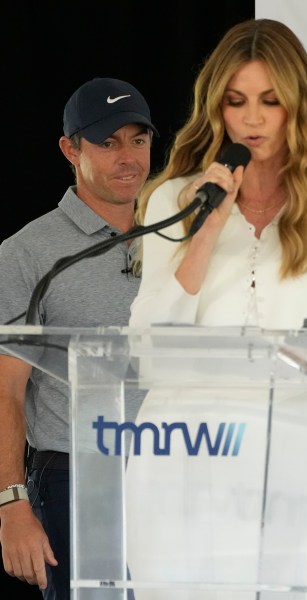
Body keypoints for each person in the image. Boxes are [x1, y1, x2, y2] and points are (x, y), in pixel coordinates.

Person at [127, 18, 307, 600]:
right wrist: (203, 233)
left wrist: (275, 359)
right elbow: (147, 348)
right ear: (216, 108)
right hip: (179, 458)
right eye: (236, 101)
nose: (251, 118)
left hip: (287, 461)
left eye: (271, 101)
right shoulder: (175, 198)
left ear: (300, 107)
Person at [0, 77, 158, 599]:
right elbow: (6, 393)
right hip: (76, 475)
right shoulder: (28, 250)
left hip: (177, 463)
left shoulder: (179, 236)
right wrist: (12, 504)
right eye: (108, 142)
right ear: (71, 149)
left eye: (138, 139)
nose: (128, 157)